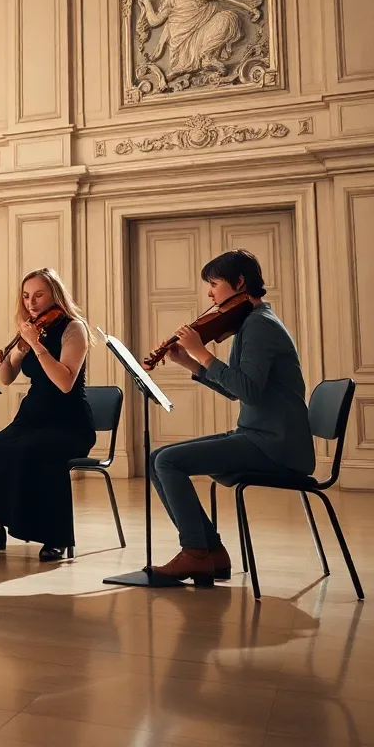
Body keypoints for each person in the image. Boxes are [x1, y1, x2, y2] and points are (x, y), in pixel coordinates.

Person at [144, 249, 313, 587]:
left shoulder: (260, 326)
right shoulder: (253, 322)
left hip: (275, 445)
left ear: (239, 282)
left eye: (215, 283)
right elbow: (238, 390)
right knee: (158, 458)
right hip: (259, 435)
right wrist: (191, 363)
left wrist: (202, 353)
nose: (210, 294)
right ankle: (211, 551)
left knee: (168, 462)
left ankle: (195, 550)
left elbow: (246, 391)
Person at [0, 268, 96, 562]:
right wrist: (3, 358)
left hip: (69, 422)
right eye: (26, 296)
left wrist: (35, 345)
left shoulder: (74, 328)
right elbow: (7, 378)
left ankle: (55, 536)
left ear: (54, 295)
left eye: (38, 295)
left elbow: (65, 382)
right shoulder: (30, 328)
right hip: (31, 418)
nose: (31, 303)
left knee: (34, 453)